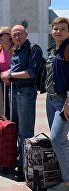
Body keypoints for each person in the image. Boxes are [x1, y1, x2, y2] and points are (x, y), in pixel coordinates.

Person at [0, 24, 43, 182]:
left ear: (26, 34)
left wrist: (10, 74)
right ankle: (18, 160)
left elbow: (31, 73)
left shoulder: (34, 48)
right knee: (15, 128)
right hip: (13, 90)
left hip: (25, 91)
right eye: (14, 34)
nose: (16, 37)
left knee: (25, 131)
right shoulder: (16, 49)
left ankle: (23, 166)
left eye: (19, 34)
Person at [45, 17, 69, 191]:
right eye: (56, 28)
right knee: (60, 140)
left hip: (63, 101)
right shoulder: (54, 50)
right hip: (50, 99)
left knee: (57, 140)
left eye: (63, 29)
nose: (59, 31)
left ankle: (67, 182)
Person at [0, 27, 14, 119]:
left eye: (1, 35)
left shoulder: (16, 48)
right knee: (4, 111)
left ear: (9, 35)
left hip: (15, 85)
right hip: (1, 86)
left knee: (14, 111)